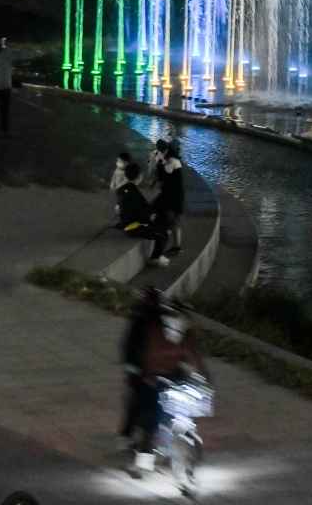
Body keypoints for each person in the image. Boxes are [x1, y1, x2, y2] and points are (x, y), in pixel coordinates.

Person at [131, 297, 210, 476]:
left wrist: (204, 379)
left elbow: (195, 357)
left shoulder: (188, 334)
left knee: (186, 411)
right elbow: (149, 355)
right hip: (154, 377)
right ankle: (143, 462)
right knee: (152, 418)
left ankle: (181, 449)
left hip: (175, 376)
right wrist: (151, 376)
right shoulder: (155, 331)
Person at [119, 286, 163, 453]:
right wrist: (132, 369)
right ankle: (129, 435)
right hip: (140, 370)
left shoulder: (159, 318)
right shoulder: (140, 318)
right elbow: (130, 346)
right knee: (138, 403)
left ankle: (147, 435)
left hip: (155, 369)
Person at [115, 162, 172, 265]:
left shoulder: (121, 190)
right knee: (163, 233)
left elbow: (121, 209)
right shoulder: (135, 193)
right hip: (134, 227)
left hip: (126, 223)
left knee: (160, 223)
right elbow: (142, 214)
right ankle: (155, 258)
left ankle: (158, 255)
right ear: (139, 176)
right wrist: (152, 218)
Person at [152, 142, 186, 258]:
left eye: (161, 151)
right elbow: (160, 178)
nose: (160, 153)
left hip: (174, 197)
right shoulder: (169, 160)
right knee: (173, 221)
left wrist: (159, 161)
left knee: (173, 221)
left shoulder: (173, 161)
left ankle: (176, 247)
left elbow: (165, 173)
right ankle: (176, 246)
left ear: (166, 150)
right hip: (169, 195)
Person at [108, 152, 133, 224]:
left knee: (123, 205)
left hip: (125, 191)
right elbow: (114, 178)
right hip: (118, 191)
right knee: (118, 205)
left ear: (126, 162)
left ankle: (124, 220)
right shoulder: (117, 170)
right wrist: (112, 186)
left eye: (120, 161)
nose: (118, 162)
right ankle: (120, 220)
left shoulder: (128, 171)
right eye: (118, 160)